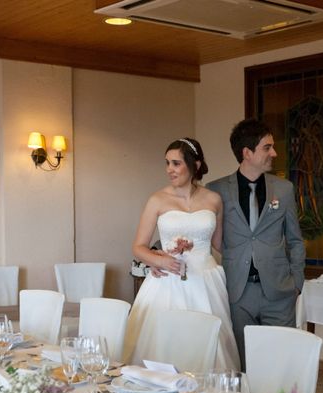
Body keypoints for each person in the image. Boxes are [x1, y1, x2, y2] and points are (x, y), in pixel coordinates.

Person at [123, 137, 240, 371]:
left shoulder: (213, 199)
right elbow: (138, 247)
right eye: (167, 163)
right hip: (167, 282)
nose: (169, 170)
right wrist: (159, 260)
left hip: (205, 281)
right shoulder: (157, 200)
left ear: (194, 165)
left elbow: (219, 244)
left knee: (206, 346)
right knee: (165, 346)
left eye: (176, 163)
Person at [207, 119, 305, 370]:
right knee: (243, 364)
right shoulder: (216, 190)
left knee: (281, 365)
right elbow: (208, 235)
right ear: (247, 153)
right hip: (237, 291)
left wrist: (296, 283)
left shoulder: (283, 189)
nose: (274, 153)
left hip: (279, 291)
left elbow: (295, 239)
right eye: (267, 147)